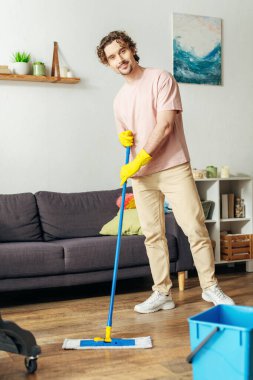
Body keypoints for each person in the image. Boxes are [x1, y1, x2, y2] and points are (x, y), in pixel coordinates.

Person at [96, 30, 234, 313]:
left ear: (132, 49)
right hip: (141, 176)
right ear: (108, 64)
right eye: (112, 57)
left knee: (194, 228)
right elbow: (127, 136)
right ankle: (162, 292)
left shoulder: (160, 78)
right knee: (152, 235)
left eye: (122, 51)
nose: (119, 59)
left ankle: (210, 287)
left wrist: (140, 159)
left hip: (173, 167)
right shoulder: (119, 100)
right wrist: (123, 141)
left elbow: (165, 126)